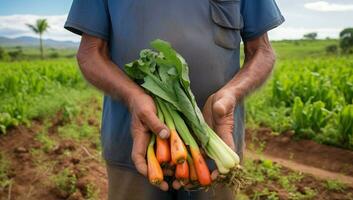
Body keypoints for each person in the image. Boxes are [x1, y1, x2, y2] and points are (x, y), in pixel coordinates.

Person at [65, 0, 284, 199]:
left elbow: (262, 51)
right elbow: (90, 53)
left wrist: (232, 93)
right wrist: (133, 97)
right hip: (132, 147)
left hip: (216, 148)